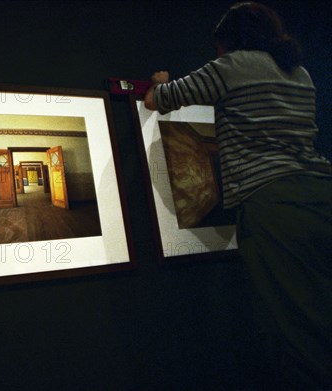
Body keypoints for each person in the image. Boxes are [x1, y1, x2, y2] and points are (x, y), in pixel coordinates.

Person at [144, 2, 332, 388]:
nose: (217, 53)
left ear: (230, 41)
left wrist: (159, 81)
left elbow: (159, 101)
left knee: (293, 327)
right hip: (320, 192)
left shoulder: (232, 67)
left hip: (274, 205)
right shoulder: (301, 74)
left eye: (218, 45)